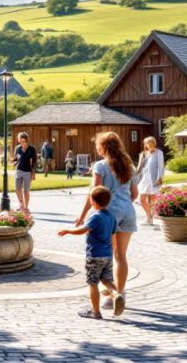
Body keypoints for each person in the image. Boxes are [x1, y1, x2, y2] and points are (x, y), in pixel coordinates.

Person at [75, 132, 139, 317]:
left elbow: (94, 194)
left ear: (104, 147)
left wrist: (82, 216)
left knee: (106, 255)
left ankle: (111, 295)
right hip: (128, 212)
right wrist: (124, 203)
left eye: (98, 146)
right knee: (121, 255)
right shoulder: (129, 166)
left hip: (107, 214)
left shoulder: (101, 166)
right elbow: (135, 194)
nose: (96, 149)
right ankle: (119, 292)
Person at [58, 185, 120, 319]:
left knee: (93, 283)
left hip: (95, 255)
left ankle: (96, 312)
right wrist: (113, 253)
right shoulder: (111, 217)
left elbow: (83, 230)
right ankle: (117, 295)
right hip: (108, 255)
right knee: (107, 280)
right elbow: (113, 239)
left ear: (93, 201)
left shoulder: (96, 216)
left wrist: (68, 230)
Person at [137, 137, 166, 225]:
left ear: (151, 143)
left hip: (154, 179)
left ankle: (149, 219)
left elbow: (161, 166)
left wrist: (159, 177)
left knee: (152, 201)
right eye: (145, 144)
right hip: (144, 179)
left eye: (146, 143)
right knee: (142, 199)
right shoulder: (145, 153)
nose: (145, 145)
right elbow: (140, 167)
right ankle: (150, 216)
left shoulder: (159, 153)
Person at [13, 132, 38, 210]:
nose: (22, 142)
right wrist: (13, 162)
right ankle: (21, 205)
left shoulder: (31, 149)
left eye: (23, 141)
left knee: (26, 191)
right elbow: (16, 158)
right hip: (18, 171)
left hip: (27, 172)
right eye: (20, 141)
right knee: (17, 190)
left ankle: (26, 207)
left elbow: (34, 161)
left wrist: (33, 173)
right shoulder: (18, 148)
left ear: (27, 140)